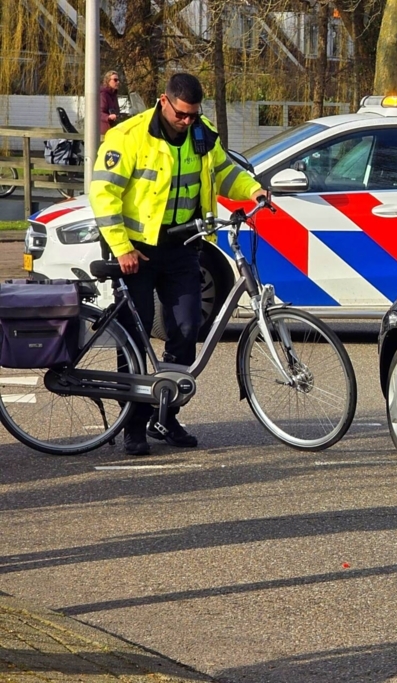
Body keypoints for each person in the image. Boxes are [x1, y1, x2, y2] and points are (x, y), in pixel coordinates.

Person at [89, 72, 267, 456]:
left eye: (192, 114)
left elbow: (224, 172)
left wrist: (252, 189)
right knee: (134, 337)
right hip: (135, 250)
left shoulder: (202, 133)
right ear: (163, 101)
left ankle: (165, 415)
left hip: (183, 246)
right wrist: (121, 247)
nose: (186, 121)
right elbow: (102, 192)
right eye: (181, 114)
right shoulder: (129, 136)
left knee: (187, 328)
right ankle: (132, 425)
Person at [99, 71, 120, 138]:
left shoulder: (114, 95)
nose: (118, 82)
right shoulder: (103, 95)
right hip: (104, 131)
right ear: (108, 81)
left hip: (113, 130)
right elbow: (98, 113)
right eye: (115, 80)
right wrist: (108, 117)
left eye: (118, 80)